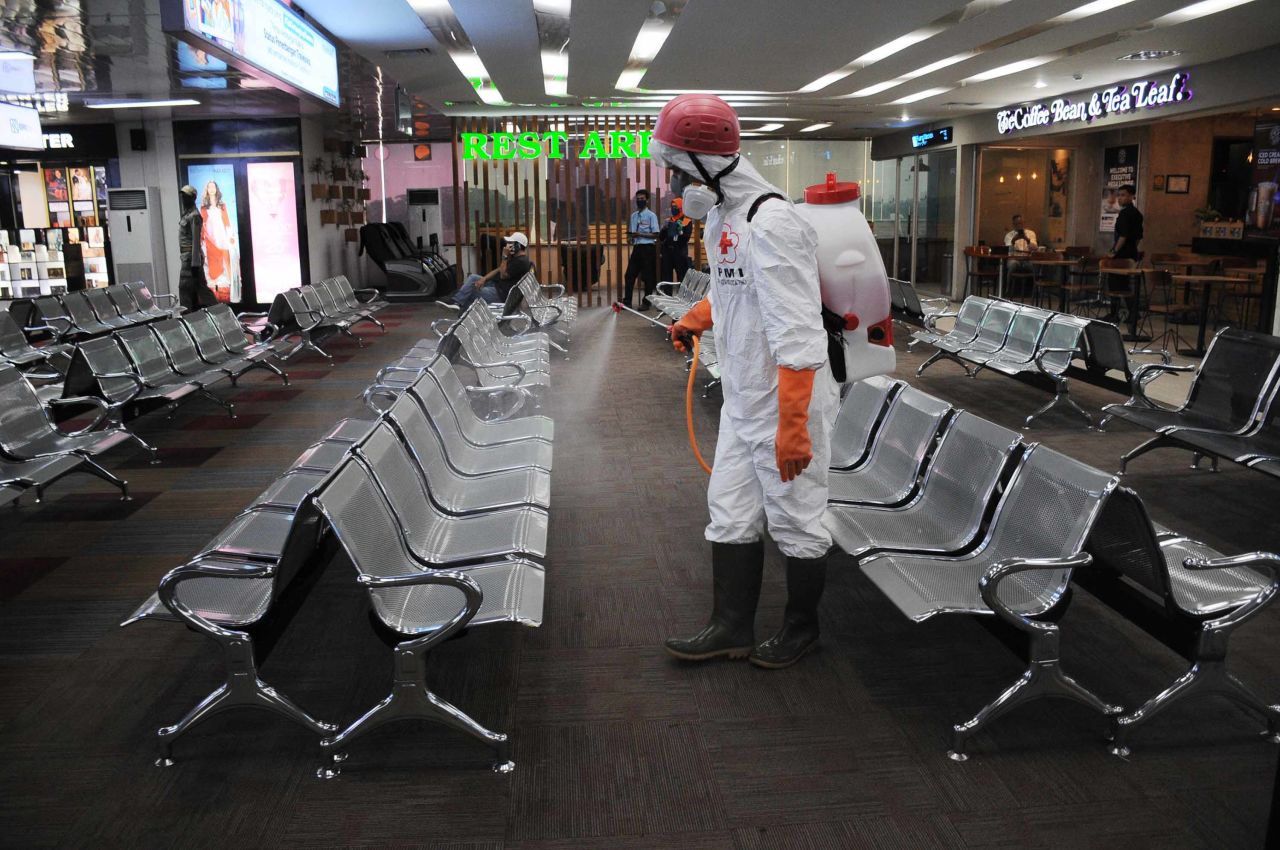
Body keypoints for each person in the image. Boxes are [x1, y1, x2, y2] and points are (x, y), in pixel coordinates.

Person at [655, 93, 836, 670]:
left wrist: (793, 429)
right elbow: (732, 294)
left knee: (796, 517)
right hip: (743, 396)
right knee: (730, 509)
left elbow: (800, 335)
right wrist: (694, 317)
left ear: (709, 165)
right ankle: (730, 626)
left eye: (678, 168)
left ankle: (801, 628)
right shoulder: (722, 218)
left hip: (788, 401)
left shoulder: (773, 222)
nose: (672, 180)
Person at [439, 231, 532, 311]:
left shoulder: (521, 262)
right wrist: (484, 278)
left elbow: (503, 275)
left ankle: (459, 313)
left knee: (470, 293)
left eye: (511, 243)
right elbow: (498, 269)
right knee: (473, 278)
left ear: (518, 245)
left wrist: (505, 256)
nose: (507, 246)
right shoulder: (516, 258)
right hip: (496, 286)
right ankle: (456, 302)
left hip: (501, 294)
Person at [177, 185, 216, 310]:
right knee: (198, 289)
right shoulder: (187, 214)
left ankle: (219, 313)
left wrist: (195, 263)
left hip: (190, 260)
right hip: (187, 258)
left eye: (186, 197)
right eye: (182, 197)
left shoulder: (194, 216)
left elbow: (195, 241)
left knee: (185, 289)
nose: (183, 199)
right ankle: (218, 312)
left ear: (193, 198)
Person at [200, 180, 238, 302]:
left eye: (213, 187)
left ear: (216, 189)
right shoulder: (204, 208)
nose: (211, 189)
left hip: (221, 235)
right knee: (211, 260)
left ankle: (225, 288)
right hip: (210, 237)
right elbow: (203, 224)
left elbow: (226, 221)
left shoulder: (222, 205)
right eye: (209, 187)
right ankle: (214, 290)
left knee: (224, 258)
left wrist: (230, 235)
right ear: (206, 190)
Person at [622, 188, 660, 309]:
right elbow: (631, 233)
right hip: (637, 248)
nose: (640, 201)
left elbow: (655, 234)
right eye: (638, 199)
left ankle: (646, 302)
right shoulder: (633, 216)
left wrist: (640, 234)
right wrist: (630, 238)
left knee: (648, 277)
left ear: (647, 200)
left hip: (648, 248)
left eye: (642, 199)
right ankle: (627, 301)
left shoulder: (651, 216)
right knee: (629, 275)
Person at [659, 196, 693, 284]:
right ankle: (666, 296)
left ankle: (682, 297)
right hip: (667, 253)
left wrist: (679, 231)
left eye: (675, 207)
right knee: (666, 279)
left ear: (681, 208)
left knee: (682, 278)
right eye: (672, 207)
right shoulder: (669, 221)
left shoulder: (687, 221)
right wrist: (664, 228)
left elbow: (686, 238)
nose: (673, 209)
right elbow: (661, 237)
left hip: (680, 253)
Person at [1110, 185, 1143, 261]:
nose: (1119, 198)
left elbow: (1123, 236)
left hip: (1121, 255)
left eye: (1123, 195)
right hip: (1132, 254)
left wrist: (1114, 252)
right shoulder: (1138, 213)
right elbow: (1138, 237)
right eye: (1118, 195)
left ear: (1131, 197)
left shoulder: (1124, 214)